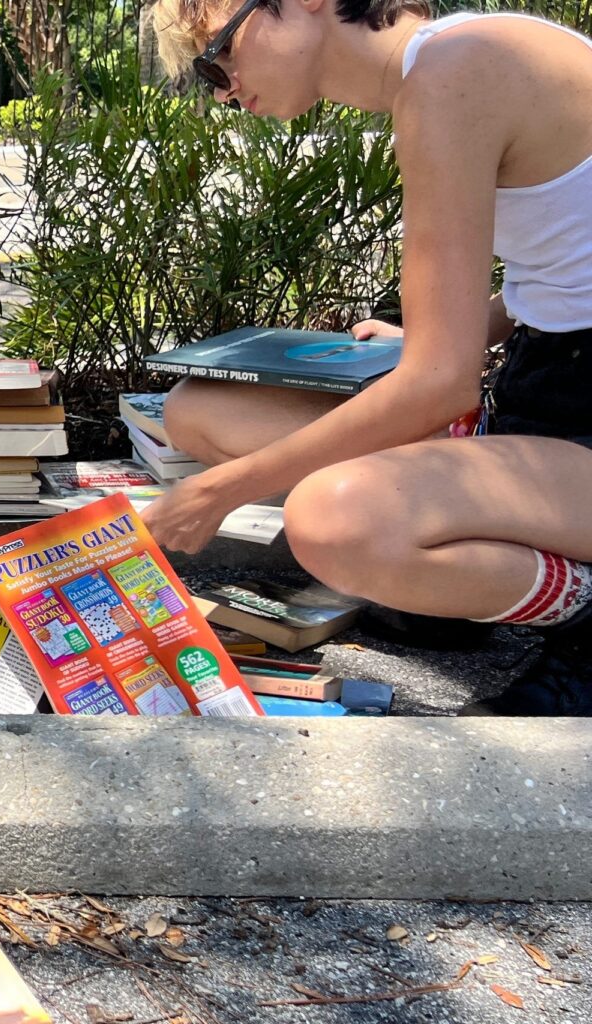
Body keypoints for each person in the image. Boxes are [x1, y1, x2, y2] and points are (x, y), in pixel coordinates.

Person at [146, 0, 592, 713]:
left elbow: (441, 387)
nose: (224, 88)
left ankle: (582, 623)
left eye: (218, 55)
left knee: (337, 519)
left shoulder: (454, 74)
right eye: (209, 76)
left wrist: (216, 494)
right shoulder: (459, 59)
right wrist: (456, 330)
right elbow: (569, 269)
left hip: (574, 415)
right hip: (545, 390)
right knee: (201, 411)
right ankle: (461, 583)